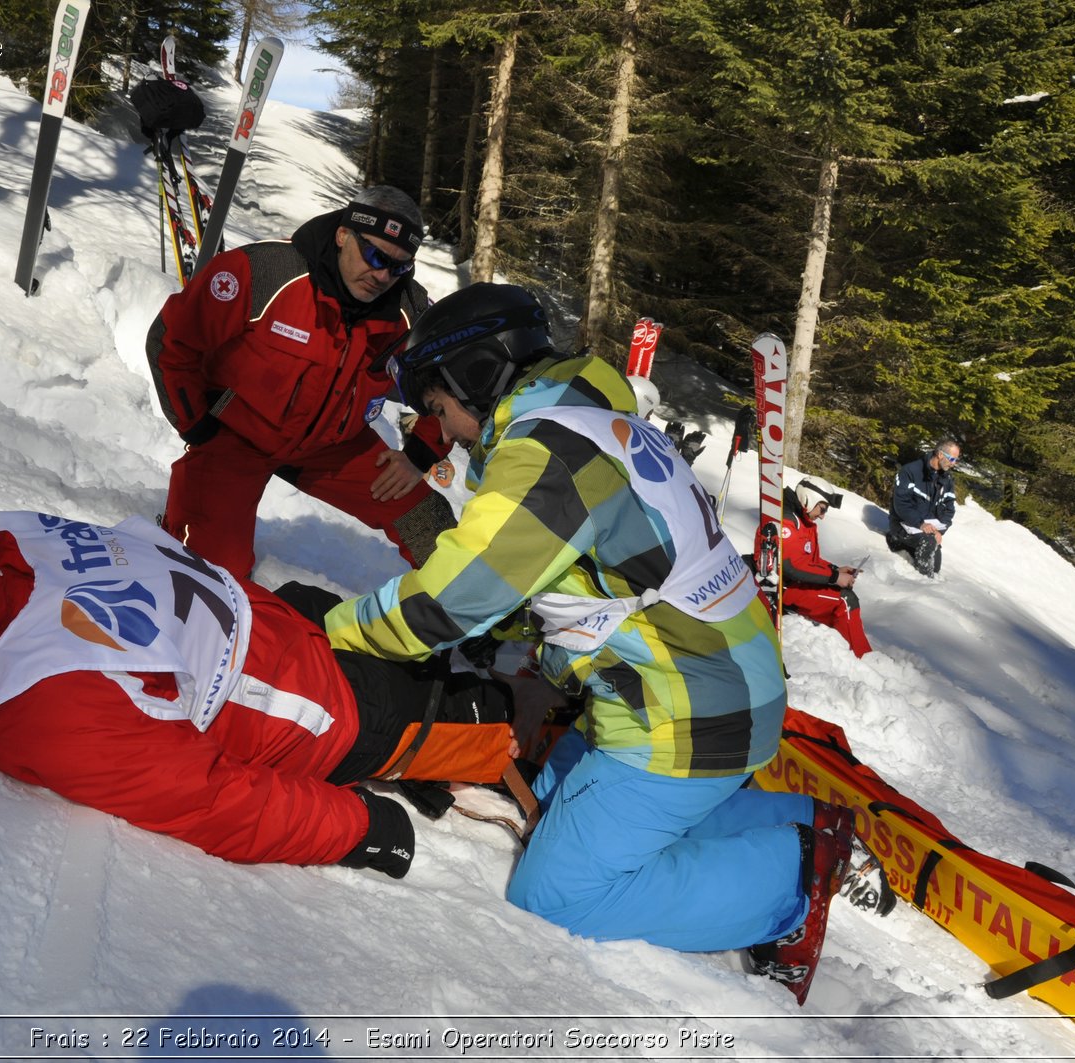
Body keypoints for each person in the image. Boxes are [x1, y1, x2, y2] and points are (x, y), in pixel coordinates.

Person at [323, 283, 890, 1004]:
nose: (449, 432)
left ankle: (792, 879)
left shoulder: (548, 451)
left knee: (556, 889)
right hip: (710, 689)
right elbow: (579, 587)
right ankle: (811, 824)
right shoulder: (591, 419)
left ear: (473, 375)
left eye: (440, 408)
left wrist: (333, 635)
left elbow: (448, 600)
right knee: (557, 801)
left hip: (688, 714)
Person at [0, 511, 529, 879]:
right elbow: (211, 800)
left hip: (303, 619)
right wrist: (358, 825)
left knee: (480, 641)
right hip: (345, 716)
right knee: (511, 723)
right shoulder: (34, 706)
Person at [145, 184, 455, 579]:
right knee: (212, 575)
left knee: (426, 521)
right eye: (375, 256)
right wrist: (196, 424)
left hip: (333, 449)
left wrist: (419, 454)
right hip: (237, 438)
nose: (382, 276)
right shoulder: (265, 272)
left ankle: (472, 616)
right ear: (345, 234)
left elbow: (452, 389)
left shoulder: (407, 312)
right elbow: (172, 340)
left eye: (399, 267)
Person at [763, 480, 873, 657]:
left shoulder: (803, 520)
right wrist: (834, 576)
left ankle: (844, 649)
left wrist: (836, 570)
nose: (822, 516)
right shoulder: (787, 521)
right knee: (845, 599)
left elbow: (809, 560)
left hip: (797, 584)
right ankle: (862, 656)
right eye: (822, 509)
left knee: (842, 595)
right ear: (808, 499)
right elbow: (790, 566)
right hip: (784, 587)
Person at [886, 439, 960, 576]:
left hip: (928, 530)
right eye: (952, 459)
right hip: (904, 524)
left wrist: (939, 531)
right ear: (940, 454)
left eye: (956, 460)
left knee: (935, 565)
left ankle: (910, 548)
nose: (954, 463)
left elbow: (949, 509)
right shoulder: (910, 471)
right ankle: (923, 583)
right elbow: (901, 504)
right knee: (928, 547)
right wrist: (920, 524)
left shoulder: (946, 479)